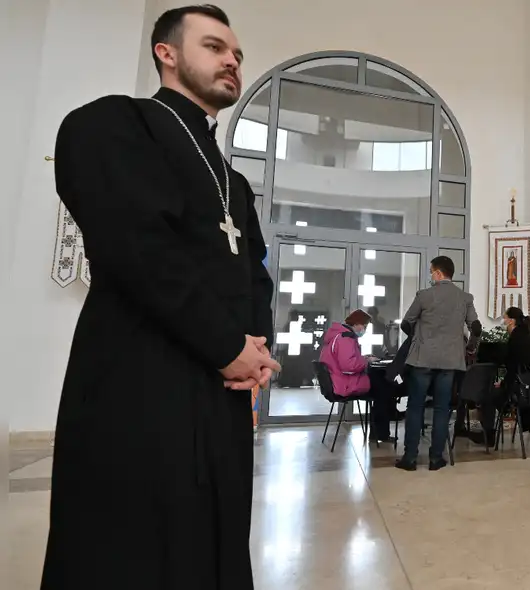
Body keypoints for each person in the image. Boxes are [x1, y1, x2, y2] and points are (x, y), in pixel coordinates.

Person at [43, 5, 280, 588]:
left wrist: (256, 347)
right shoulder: (112, 124)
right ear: (166, 53)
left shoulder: (234, 182)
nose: (232, 60)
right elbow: (137, 247)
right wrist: (227, 345)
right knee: (135, 546)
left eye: (237, 54)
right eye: (214, 47)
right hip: (141, 378)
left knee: (216, 538)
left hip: (222, 392)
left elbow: (255, 271)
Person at [395, 256, 482, 471]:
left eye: (431, 272)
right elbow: (476, 327)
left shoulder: (424, 295)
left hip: (422, 359)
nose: (431, 276)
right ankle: (436, 458)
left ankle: (410, 458)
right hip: (450, 362)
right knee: (442, 409)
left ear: (438, 273)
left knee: (415, 407)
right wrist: (470, 348)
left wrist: (417, 338)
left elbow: (406, 323)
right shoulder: (465, 298)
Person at [319, 309, 396, 443]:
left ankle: (380, 430)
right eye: (364, 326)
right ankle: (382, 431)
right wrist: (367, 361)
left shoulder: (337, 336)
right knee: (384, 388)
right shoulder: (346, 338)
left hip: (337, 381)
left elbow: (346, 360)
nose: (364, 330)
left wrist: (363, 358)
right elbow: (348, 366)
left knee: (381, 386)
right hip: (345, 384)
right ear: (355, 324)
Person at [473, 307, 530, 446]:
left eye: (504, 318)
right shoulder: (526, 337)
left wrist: (503, 384)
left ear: (511, 321)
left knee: (488, 394)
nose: (503, 321)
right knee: (494, 392)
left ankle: (488, 435)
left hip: (519, 389)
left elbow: (513, 369)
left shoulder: (515, 340)